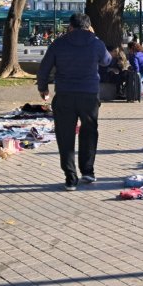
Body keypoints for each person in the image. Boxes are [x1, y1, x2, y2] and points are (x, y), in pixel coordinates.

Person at [37, 13, 112, 191]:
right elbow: (107, 61)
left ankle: (70, 177)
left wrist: (43, 88)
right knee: (89, 131)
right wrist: (95, 37)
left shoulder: (59, 43)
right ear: (89, 26)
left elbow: (44, 68)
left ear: (70, 26)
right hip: (89, 95)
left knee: (65, 135)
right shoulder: (96, 42)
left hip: (64, 95)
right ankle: (88, 171)